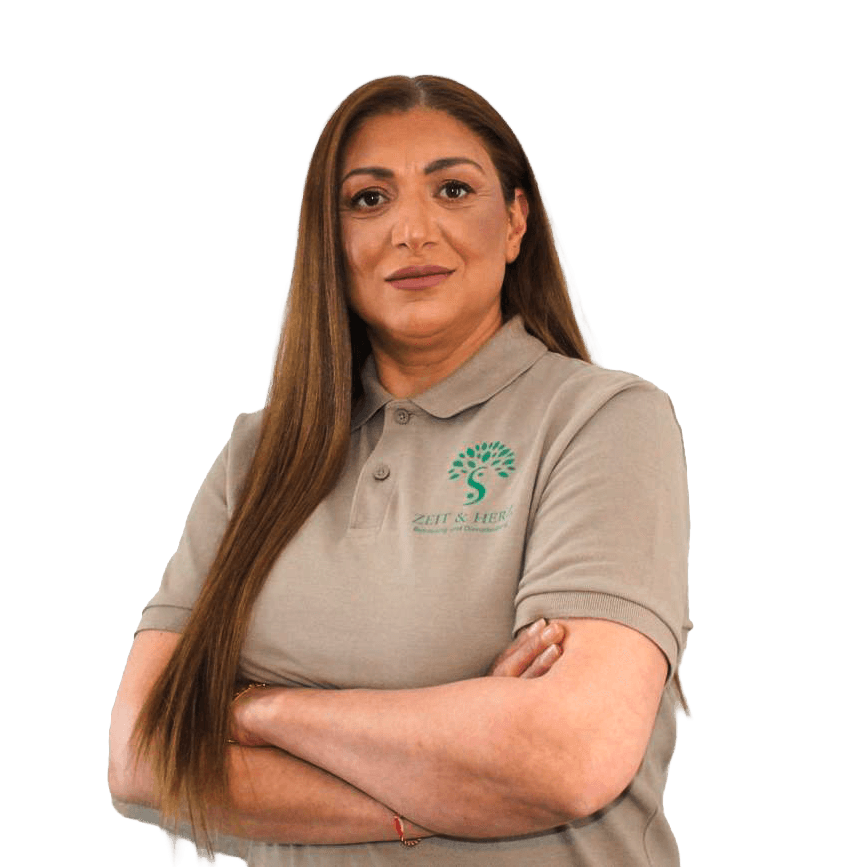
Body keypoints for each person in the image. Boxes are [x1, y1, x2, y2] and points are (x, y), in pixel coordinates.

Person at [108, 73, 692, 866]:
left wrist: (261, 712)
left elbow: (570, 754)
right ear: (330, 237)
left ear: (516, 219)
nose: (413, 231)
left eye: (453, 189)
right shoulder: (257, 455)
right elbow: (141, 758)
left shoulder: (603, 420)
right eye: (368, 200)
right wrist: (453, 774)